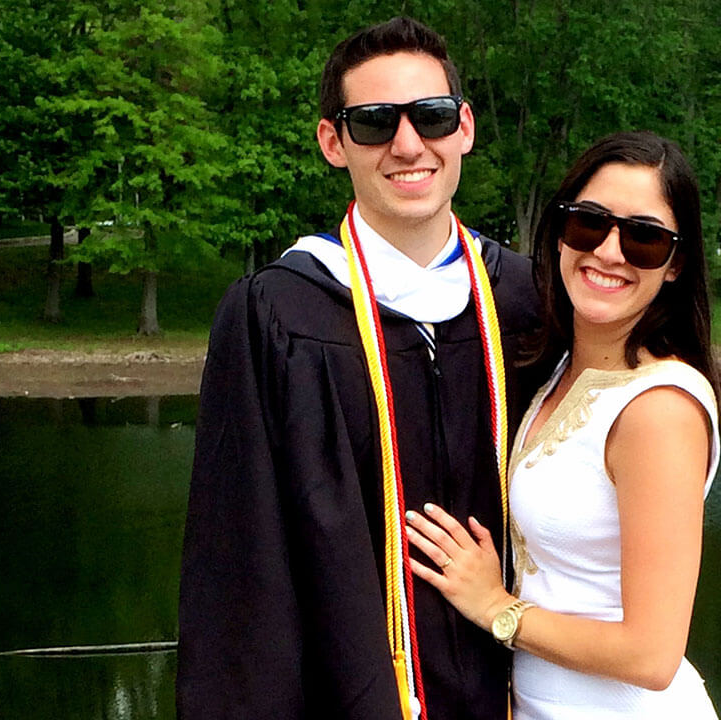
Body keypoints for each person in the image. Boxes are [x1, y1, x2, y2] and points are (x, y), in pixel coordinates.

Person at [177, 17, 542, 720]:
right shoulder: (278, 313)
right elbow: (240, 569)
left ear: (465, 127)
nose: (408, 144)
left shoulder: (526, 302)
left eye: (431, 117)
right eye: (374, 122)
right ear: (332, 142)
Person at [406, 131, 721, 719]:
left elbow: (652, 656)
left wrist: (496, 607)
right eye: (589, 223)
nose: (609, 251)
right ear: (559, 233)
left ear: (676, 264)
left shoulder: (659, 409)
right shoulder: (556, 374)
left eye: (645, 238)